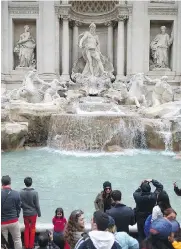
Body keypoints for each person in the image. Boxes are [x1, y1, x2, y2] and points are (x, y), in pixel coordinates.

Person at [20, 177, 41, 249]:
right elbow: (37, 205)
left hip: (25, 213)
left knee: (26, 228)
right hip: (33, 214)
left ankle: (26, 245)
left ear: (24, 183)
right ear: (31, 183)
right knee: (32, 229)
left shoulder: (21, 192)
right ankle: (31, 246)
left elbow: (20, 204)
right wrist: (39, 213)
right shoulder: (35, 192)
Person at [1, 175, 22, 249]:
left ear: (2, 183)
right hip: (13, 221)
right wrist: (16, 216)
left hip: (2, 222)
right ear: (10, 182)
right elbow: (19, 207)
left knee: (4, 242)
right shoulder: (16, 193)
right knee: (17, 240)